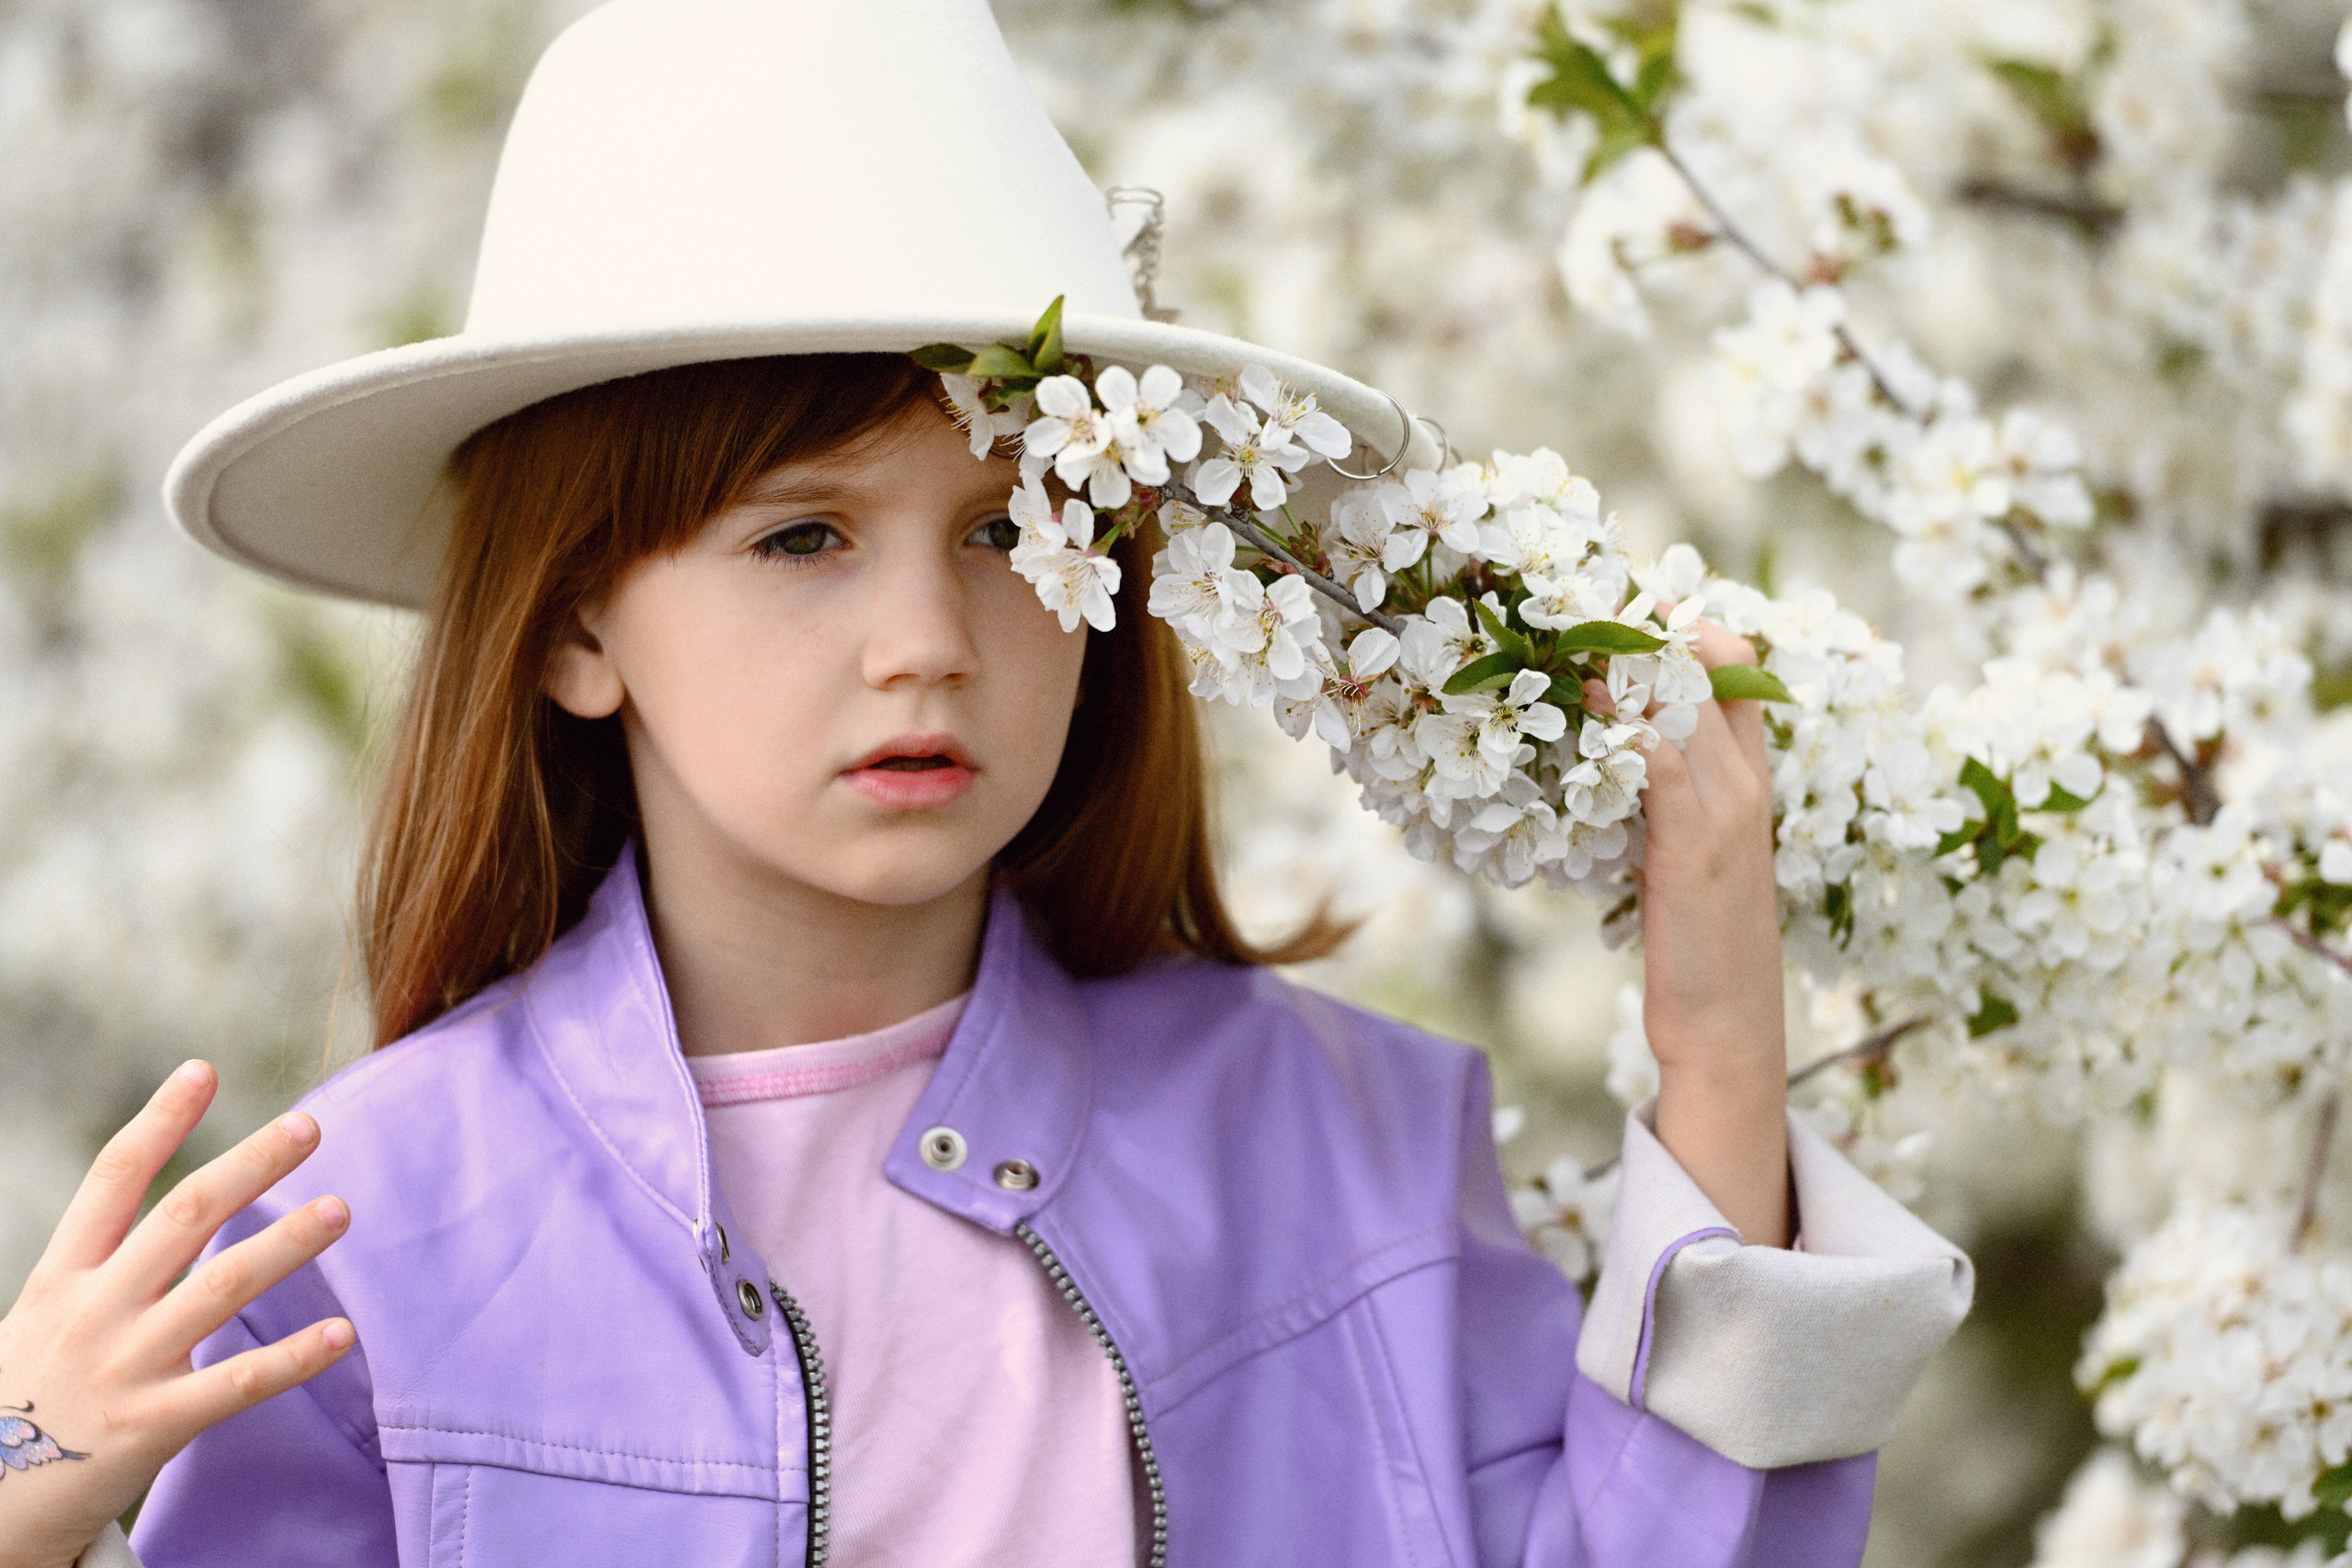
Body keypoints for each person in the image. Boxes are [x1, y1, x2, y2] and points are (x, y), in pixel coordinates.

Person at [0, 2, 1973, 1564]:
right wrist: (27, 1492)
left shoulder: (1332, 1135)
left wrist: (1720, 1043)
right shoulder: (357, 1241)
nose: (924, 639)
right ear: (575, 623)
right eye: (801, 537)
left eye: (1013, 529)